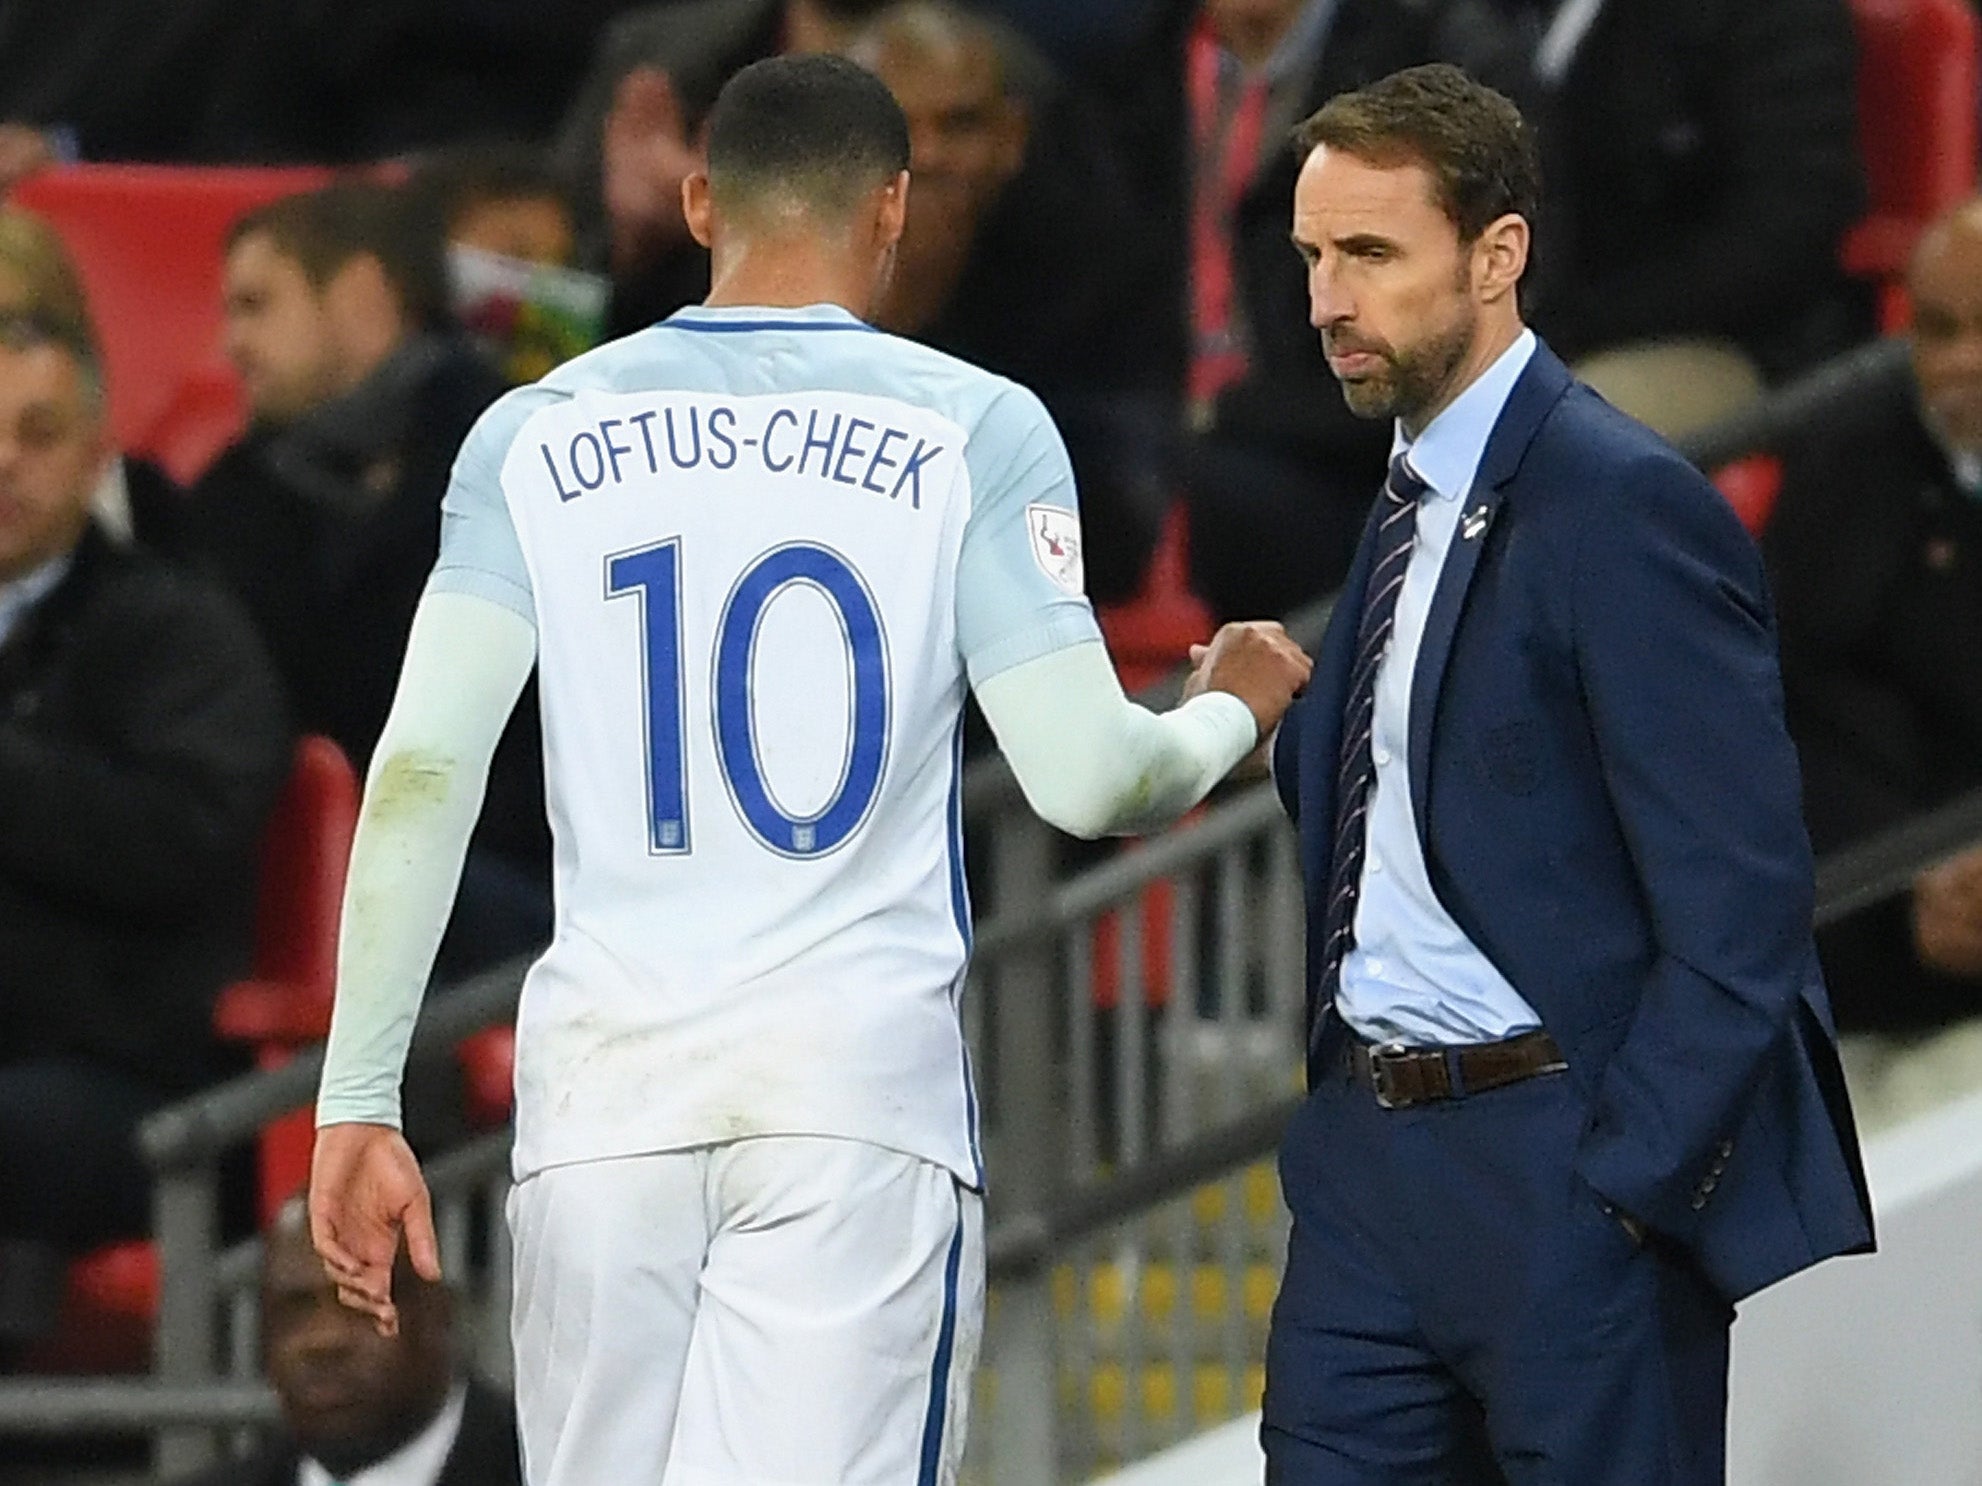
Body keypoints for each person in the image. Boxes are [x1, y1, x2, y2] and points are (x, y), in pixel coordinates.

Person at [307, 54, 1309, 1485]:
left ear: (701, 201)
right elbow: (1091, 782)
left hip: (601, 1105)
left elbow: (420, 772)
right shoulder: (976, 427)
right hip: (848, 1104)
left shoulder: (529, 433)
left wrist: (358, 1096)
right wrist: (1224, 710)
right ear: (892, 208)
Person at [1255, 65, 1870, 1481]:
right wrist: (1293, 731)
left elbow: (1742, 902)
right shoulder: (1409, 488)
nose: (1325, 301)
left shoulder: (1622, 500)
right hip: (1366, 1182)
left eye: (1367, 254)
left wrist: (1628, 1184)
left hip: (1560, 1175)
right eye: (1309, 257)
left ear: (1495, 253)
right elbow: (1449, 785)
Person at [0, 311, 288, 1352]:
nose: (3, 460)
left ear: (94, 455)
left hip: (133, 1074)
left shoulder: (175, 628)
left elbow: (185, 837)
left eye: (36, 432)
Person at [185, 181, 548, 972]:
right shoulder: (231, 500)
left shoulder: (528, 461)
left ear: (360, 295)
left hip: (522, 882)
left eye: (257, 305)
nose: (232, 344)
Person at [1764, 197, 1982, 1131]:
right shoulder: (1844, 474)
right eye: (1940, 330)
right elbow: (1784, 725)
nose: (1965, 362)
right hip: (1863, 955)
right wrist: (1914, 890)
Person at [851, 0, 1169, 602]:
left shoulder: (1094, 260)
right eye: (896, 128)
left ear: (1012, 137)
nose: (929, 156)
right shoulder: (786, 257)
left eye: (959, 125)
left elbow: (1117, 522)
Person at [1430, 0, 1868, 437]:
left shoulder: (1771, 15)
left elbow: (1790, 227)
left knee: (1547, 434)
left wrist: (1573, 319)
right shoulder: (1478, 18)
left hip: (1717, 340)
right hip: (1524, 320)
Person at [1155, 0, 1439, 621]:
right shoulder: (1134, 74)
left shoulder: (1419, 59)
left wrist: (1237, 413)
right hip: (1158, 417)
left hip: (1326, 439)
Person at [173, 1198, 520, 1486]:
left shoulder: (545, 1468)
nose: (324, 1340)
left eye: (363, 1302)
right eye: (296, 1309)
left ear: (438, 1313)